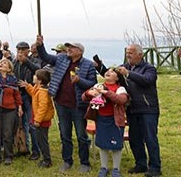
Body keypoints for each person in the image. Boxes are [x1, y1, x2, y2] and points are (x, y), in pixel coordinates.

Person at [97, 44, 161, 176]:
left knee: (150, 138)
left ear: (140, 54)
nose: (128, 55)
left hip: (148, 108)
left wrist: (129, 74)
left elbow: (147, 81)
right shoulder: (124, 67)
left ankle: (155, 167)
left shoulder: (149, 68)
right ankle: (140, 164)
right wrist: (99, 66)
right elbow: (111, 75)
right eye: (127, 53)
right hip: (132, 108)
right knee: (134, 138)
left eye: (131, 53)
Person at [36, 35, 97, 173]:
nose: (68, 49)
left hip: (78, 106)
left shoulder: (88, 65)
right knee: (65, 135)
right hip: (62, 104)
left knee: (81, 136)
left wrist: (79, 80)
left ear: (80, 51)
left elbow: (92, 84)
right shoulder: (62, 58)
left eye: (72, 47)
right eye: (68, 47)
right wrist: (40, 46)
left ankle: (85, 163)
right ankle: (67, 161)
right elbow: (46, 57)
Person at [83, 69, 129, 177]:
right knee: (102, 144)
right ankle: (104, 168)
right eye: (107, 71)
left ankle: (116, 169)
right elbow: (84, 97)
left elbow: (121, 100)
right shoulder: (98, 85)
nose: (108, 72)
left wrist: (105, 92)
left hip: (115, 121)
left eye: (112, 72)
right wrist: (89, 92)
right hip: (101, 119)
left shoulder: (120, 88)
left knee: (116, 145)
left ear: (117, 78)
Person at [19, 69, 54, 168]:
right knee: (40, 140)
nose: (33, 76)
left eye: (35, 75)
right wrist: (28, 86)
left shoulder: (43, 92)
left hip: (42, 121)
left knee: (43, 141)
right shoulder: (38, 87)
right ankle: (45, 158)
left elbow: (43, 107)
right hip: (39, 119)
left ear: (40, 80)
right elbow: (33, 94)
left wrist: (37, 120)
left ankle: (47, 160)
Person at [12, 41, 41, 160]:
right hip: (17, 96)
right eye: (18, 50)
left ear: (27, 51)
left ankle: (36, 150)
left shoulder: (33, 60)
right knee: (20, 123)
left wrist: (26, 61)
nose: (19, 53)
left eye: (22, 50)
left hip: (29, 96)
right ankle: (23, 147)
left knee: (31, 124)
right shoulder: (14, 62)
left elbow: (38, 71)